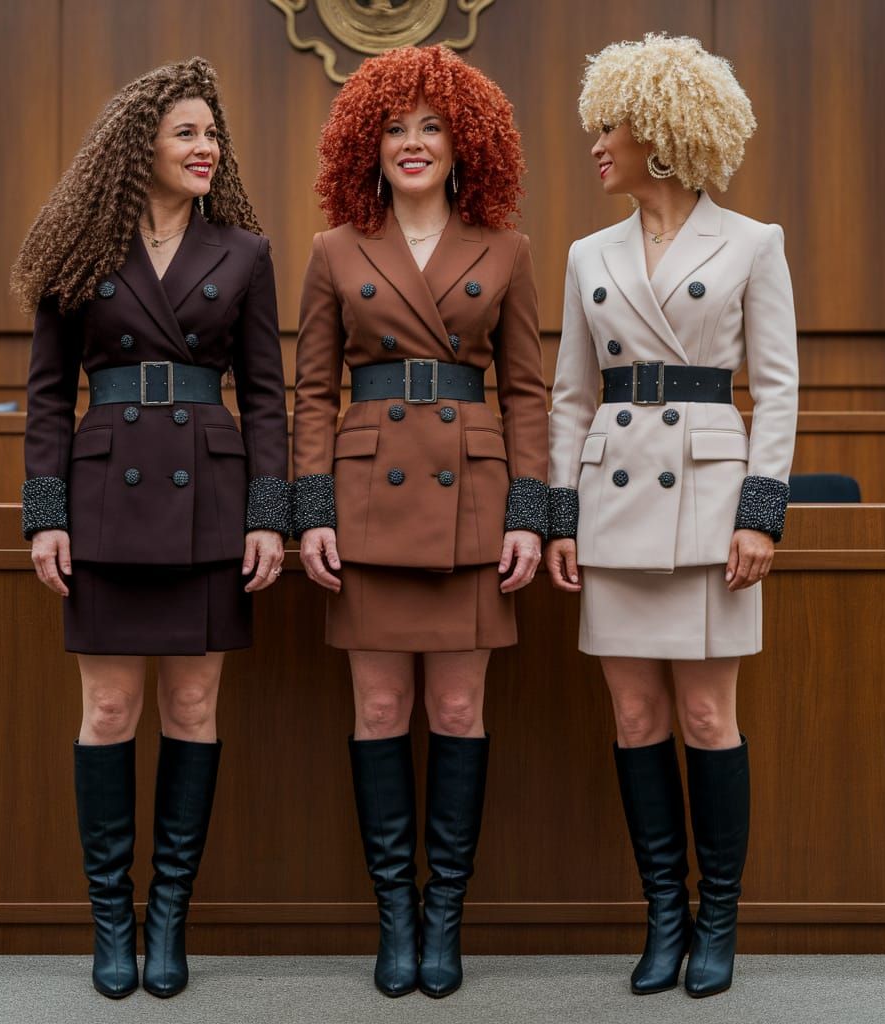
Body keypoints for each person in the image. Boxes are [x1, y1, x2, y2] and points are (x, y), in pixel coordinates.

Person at [10, 57, 289, 999]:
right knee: (108, 712)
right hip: (104, 503)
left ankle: (168, 917)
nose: (207, 148)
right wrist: (43, 515)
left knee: (194, 710)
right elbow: (48, 395)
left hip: (211, 497)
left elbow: (267, 399)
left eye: (213, 135)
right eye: (187, 133)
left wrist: (269, 516)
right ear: (143, 146)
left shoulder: (245, 252)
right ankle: (110, 924)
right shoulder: (78, 245)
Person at [292, 45, 548, 999]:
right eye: (394, 128)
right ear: (368, 142)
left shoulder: (508, 248)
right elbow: (311, 391)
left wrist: (530, 511)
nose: (411, 143)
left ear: (462, 142)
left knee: (454, 710)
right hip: (366, 501)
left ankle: (446, 919)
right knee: (381, 710)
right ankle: (394, 918)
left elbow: (527, 392)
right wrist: (308, 509)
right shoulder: (333, 249)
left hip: (474, 500)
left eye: (430, 126)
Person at [546, 33, 798, 998]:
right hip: (614, 508)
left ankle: (718, 921)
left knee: (704, 715)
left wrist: (761, 514)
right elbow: (571, 396)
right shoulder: (587, 254)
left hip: (708, 502)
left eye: (608, 125)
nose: (595, 144)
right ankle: (664, 918)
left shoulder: (752, 243)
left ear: (659, 131)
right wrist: (561, 515)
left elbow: (775, 390)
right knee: (636, 714)